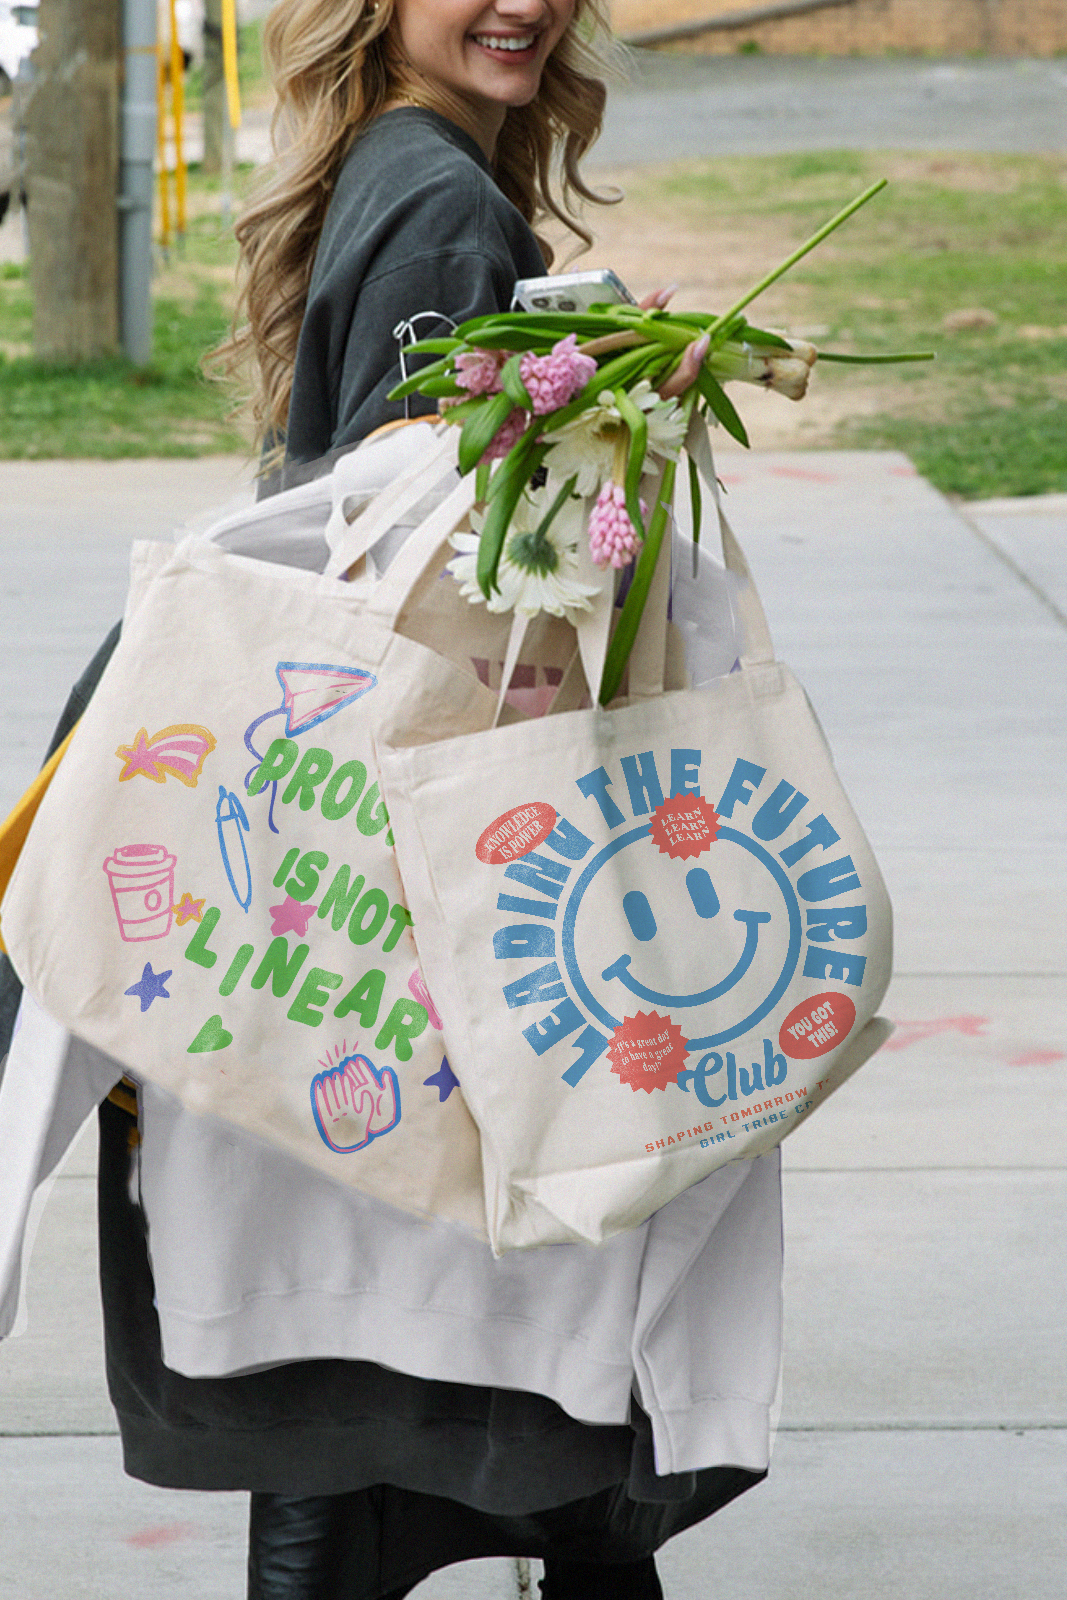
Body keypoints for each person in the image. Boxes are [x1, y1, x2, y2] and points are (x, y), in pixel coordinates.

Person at [2, 3, 777, 1597]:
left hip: (330, 846)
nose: (524, 2)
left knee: (357, 1434)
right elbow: (426, 578)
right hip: (407, 840)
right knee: (481, 1395)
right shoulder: (435, 202)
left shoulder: (394, 162)